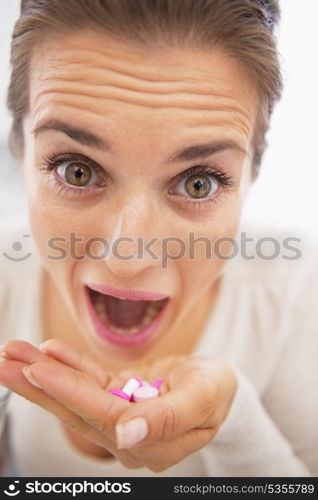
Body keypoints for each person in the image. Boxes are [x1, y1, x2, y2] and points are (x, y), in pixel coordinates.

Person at [0, 0, 317, 477]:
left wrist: (233, 423)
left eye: (198, 182)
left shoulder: (294, 290)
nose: (129, 260)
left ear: (253, 172)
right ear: (21, 150)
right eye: (77, 170)